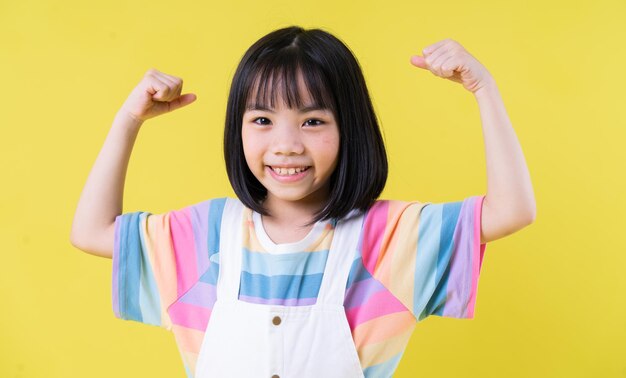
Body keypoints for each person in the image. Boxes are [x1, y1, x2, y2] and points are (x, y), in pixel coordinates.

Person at [70, 26, 536, 378]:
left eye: (312, 121)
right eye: (262, 119)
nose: (287, 144)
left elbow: (512, 210)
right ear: (238, 129)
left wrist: (484, 89)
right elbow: (90, 232)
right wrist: (129, 119)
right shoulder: (205, 235)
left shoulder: (388, 238)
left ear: (349, 128)